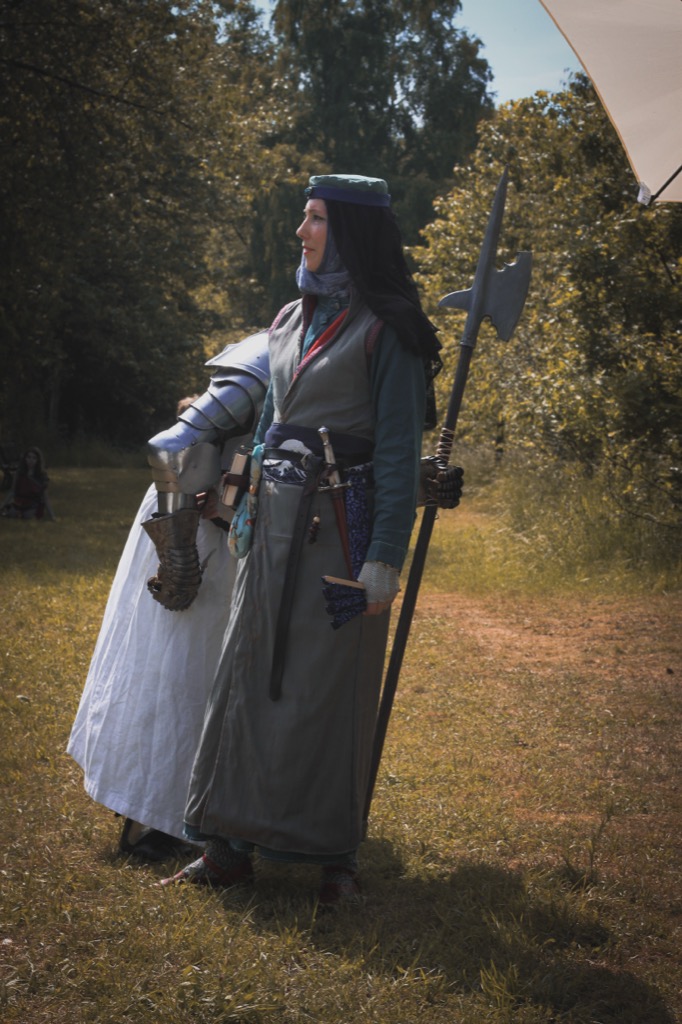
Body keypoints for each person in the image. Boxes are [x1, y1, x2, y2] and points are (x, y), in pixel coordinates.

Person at [165, 173, 460, 905]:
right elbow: (270, 425)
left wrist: (384, 556)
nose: (302, 231)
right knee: (246, 675)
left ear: (351, 231)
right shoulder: (290, 318)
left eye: (316, 218)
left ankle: (335, 860)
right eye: (304, 217)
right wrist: (242, 509)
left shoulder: (390, 330)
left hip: (344, 537)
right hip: (270, 528)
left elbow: (397, 455)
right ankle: (226, 850)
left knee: (328, 689)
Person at [67, 333, 270, 860]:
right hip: (191, 530)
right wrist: (181, 553)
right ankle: (154, 813)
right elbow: (173, 447)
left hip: (241, 537)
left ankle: (205, 811)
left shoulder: (323, 356)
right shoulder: (266, 355)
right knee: (178, 672)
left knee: (219, 679)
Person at [0, 446, 52, 519]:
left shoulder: (41, 476)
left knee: (28, 516)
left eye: (34, 458)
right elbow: (12, 492)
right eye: (29, 457)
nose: (31, 460)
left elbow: (45, 497)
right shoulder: (19, 474)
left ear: (38, 460)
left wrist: (52, 516)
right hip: (19, 502)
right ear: (25, 459)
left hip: (33, 504)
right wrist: (2, 506)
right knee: (12, 514)